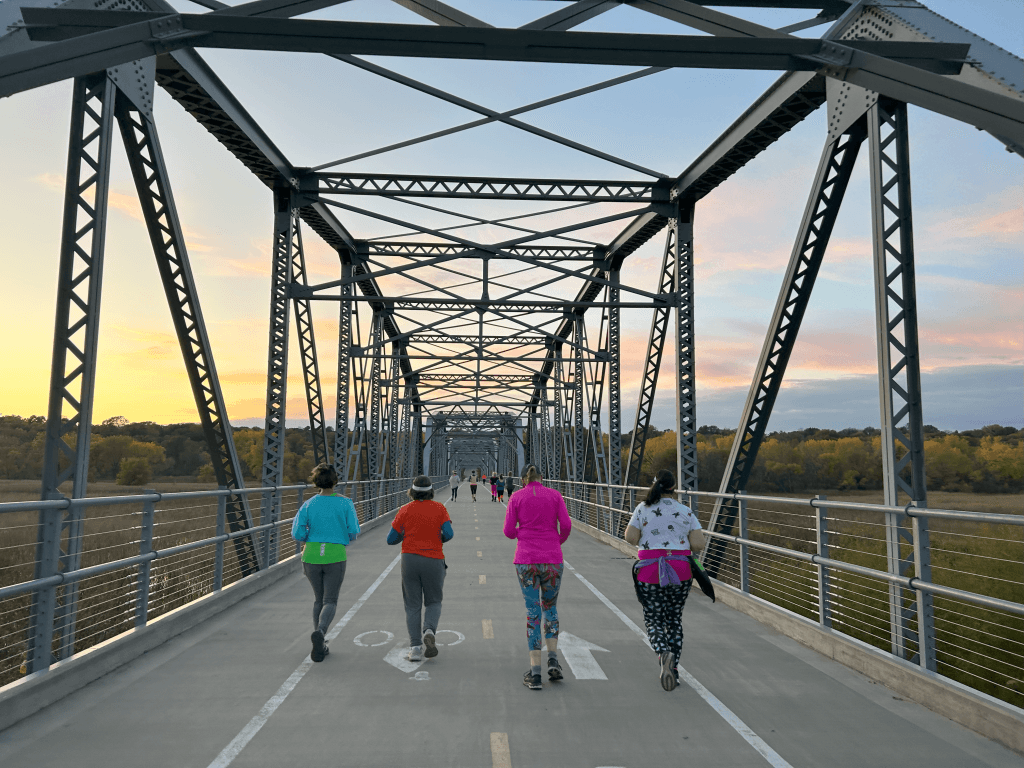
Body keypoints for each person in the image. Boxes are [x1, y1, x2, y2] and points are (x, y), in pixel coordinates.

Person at [624, 469, 705, 691]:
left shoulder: (643, 508)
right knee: (674, 619)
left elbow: (631, 538)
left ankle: (662, 653)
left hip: (650, 570)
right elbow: (699, 544)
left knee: (653, 618)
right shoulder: (685, 511)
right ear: (674, 488)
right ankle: (675, 670)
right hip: (680, 570)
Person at [503, 464, 571, 690]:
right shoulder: (555, 495)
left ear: (523, 479)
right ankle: (553, 659)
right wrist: (555, 541)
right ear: (542, 477)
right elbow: (567, 525)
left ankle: (535, 674)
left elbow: (508, 531)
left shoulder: (517, 497)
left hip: (526, 560)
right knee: (550, 608)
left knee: (533, 612)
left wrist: (522, 534)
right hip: (552, 559)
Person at [291, 463, 361, 663]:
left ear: (316, 482)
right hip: (334, 554)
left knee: (318, 599)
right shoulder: (345, 503)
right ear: (335, 481)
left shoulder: (309, 504)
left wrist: (309, 535)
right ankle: (321, 633)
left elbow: (297, 533)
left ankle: (319, 641)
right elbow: (353, 532)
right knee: (330, 600)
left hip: (311, 554)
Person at [387, 475, 454, 661]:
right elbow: (449, 533)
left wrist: (406, 535)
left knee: (412, 605)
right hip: (434, 559)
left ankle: (415, 648)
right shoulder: (439, 508)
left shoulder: (405, 509)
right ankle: (429, 630)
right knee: (433, 601)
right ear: (431, 491)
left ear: (412, 491)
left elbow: (390, 539)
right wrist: (437, 539)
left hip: (410, 559)